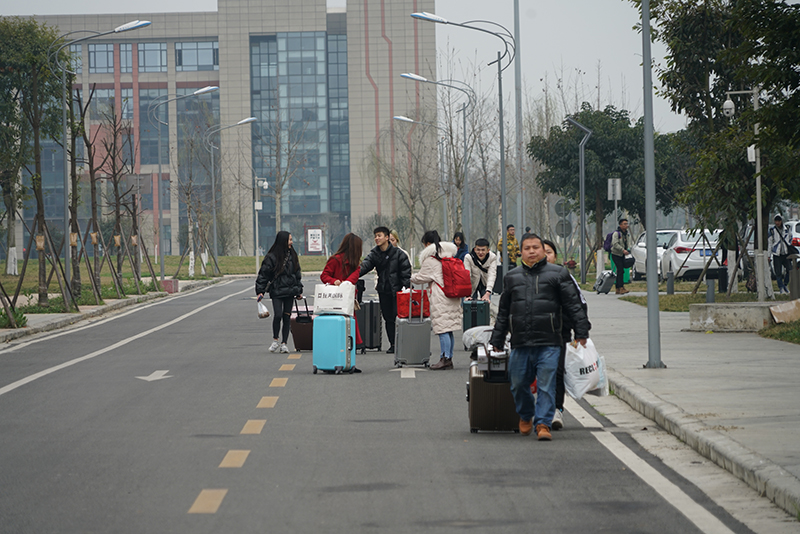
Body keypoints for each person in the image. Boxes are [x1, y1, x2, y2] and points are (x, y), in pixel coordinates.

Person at [491, 232, 590, 441]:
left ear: (543, 251)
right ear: (521, 252)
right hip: (521, 342)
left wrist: (581, 331)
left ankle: (543, 423)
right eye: (527, 248)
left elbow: (574, 305)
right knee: (517, 383)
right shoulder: (511, 277)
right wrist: (497, 340)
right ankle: (526, 414)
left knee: (547, 383)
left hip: (550, 341)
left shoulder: (558, 274)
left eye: (536, 247)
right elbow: (503, 312)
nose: (532, 251)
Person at [542, 239, 590, 431]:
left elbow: (578, 305)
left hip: (559, 333)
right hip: (532, 335)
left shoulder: (565, 277)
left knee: (557, 372)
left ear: (555, 256)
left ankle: (556, 409)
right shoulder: (527, 277)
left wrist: (580, 330)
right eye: (541, 251)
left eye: (549, 252)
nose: (545, 256)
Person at [410, 230, 463, 370]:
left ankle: (444, 358)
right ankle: (449, 358)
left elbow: (421, 278)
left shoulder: (431, 259)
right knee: (449, 328)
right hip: (453, 294)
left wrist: (410, 277)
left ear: (428, 244)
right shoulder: (448, 255)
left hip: (441, 296)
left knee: (442, 329)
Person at [359, 226, 412, 354]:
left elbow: (406, 274)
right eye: (375, 236)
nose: (377, 238)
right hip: (384, 291)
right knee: (388, 318)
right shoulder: (374, 254)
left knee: (400, 318)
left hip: (399, 292)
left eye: (379, 235)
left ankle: (404, 342)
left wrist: (405, 290)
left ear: (387, 237)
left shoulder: (399, 254)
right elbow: (364, 266)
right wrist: (350, 275)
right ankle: (393, 344)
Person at [255, 231, 304, 354]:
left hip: (290, 291)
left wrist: (299, 291)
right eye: (290, 240)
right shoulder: (271, 257)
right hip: (277, 290)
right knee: (278, 315)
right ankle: (275, 340)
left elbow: (297, 274)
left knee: (287, 317)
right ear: (283, 241)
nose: (291, 242)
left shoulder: (293, 255)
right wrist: (260, 291)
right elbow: (263, 275)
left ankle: (284, 344)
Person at [321, 233, 364, 346]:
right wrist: (334, 281)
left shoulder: (354, 264)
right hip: (338, 298)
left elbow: (352, 278)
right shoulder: (336, 260)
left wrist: (339, 283)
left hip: (342, 299)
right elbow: (324, 276)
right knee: (347, 327)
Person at [768, 215, 793, 295]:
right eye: (776, 221)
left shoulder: (786, 229)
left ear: (781, 221)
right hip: (777, 254)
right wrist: (769, 255)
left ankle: (785, 284)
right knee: (778, 272)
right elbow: (770, 243)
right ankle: (781, 287)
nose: (777, 222)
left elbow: (790, 237)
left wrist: (788, 244)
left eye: (779, 221)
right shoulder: (772, 231)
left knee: (790, 270)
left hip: (785, 254)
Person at [610, 218, 633, 295]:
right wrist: (622, 250)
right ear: (620, 225)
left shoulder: (626, 233)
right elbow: (615, 244)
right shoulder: (616, 234)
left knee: (621, 271)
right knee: (620, 270)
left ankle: (619, 288)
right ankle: (620, 287)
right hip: (616, 254)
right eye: (624, 224)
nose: (626, 225)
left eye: (627, 224)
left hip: (623, 255)